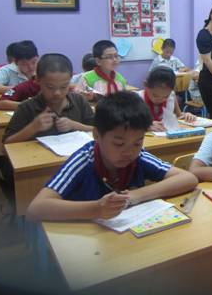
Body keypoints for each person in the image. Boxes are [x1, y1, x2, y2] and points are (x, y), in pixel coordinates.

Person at [26, 91, 198, 221]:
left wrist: (135, 196)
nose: (129, 152)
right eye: (118, 144)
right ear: (97, 135)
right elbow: (36, 208)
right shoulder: (84, 160)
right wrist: (97, 209)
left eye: (137, 143)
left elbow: (188, 178)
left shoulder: (138, 157)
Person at [3, 54, 94, 144]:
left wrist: (75, 125)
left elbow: (97, 130)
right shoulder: (26, 108)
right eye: (50, 87)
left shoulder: (79, 101)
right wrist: (33, 128)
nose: (57, 93)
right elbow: (6, 144)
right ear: (37, 80)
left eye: (63, 87)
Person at [138, 67, 196, 133]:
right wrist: (145, 126)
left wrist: (186, 115)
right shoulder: (138, 99)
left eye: (165, 96)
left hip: (166, 136)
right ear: (145, 85)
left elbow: (179, 116)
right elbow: (130, 123)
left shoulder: (171, 96)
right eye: (155, 95)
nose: (159, 100)